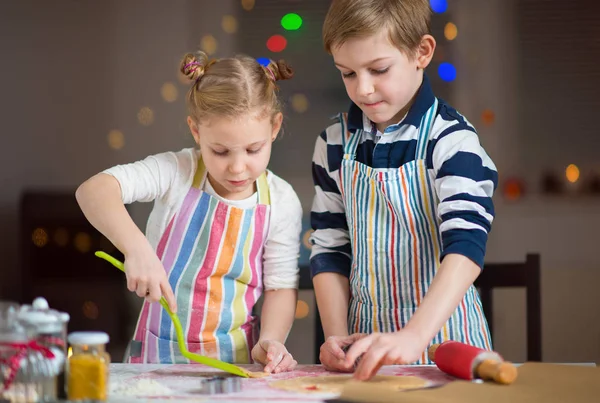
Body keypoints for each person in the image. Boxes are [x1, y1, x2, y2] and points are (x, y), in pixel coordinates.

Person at [76, 51, 302, 373]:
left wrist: (271, 340)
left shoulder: (282, 200)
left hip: (235, 364)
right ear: (196, 131)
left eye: (254, 149)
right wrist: (138, 250)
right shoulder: (176, 172)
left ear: (275, 127)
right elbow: (93, 190)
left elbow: (280, 287)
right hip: (154, 362)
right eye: (220, 151)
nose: (238, 168)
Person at [310, 0, 498, 380]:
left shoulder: (451, 140)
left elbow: (466, 245)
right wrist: (338, 338)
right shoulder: (333, 143)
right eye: (347, 73)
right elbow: (329, 249)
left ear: (421, 53)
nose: (362, 89)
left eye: (378, 69)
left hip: (448, 344)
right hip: (366, 351)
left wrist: (414, 336)